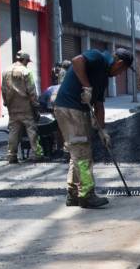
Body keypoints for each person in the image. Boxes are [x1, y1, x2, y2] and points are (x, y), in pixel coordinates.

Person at [54, 47, 133, 208]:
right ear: (119, 63)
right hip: (71, 108)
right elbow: (77, 61)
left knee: (77, 151)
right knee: (82, 153)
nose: (120, 75)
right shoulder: (98, 58)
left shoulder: (103, 77)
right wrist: (86, 86)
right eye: (122, 70)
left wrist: (102, 130)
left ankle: (74, 194)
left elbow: (99, 105)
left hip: (76, 110)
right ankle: (86, 195)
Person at [1, 51, 43, 164]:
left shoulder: (5, 71)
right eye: (27, 61)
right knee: (31, 130)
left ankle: (11, 155)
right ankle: (37, 154)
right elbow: (31, 90)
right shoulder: (26, 72)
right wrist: (36, 105)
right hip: (25, 106)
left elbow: (3, 88)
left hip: (12, 107)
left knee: (13, 131)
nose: (27, 64)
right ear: (24, 60)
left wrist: (6, 102)